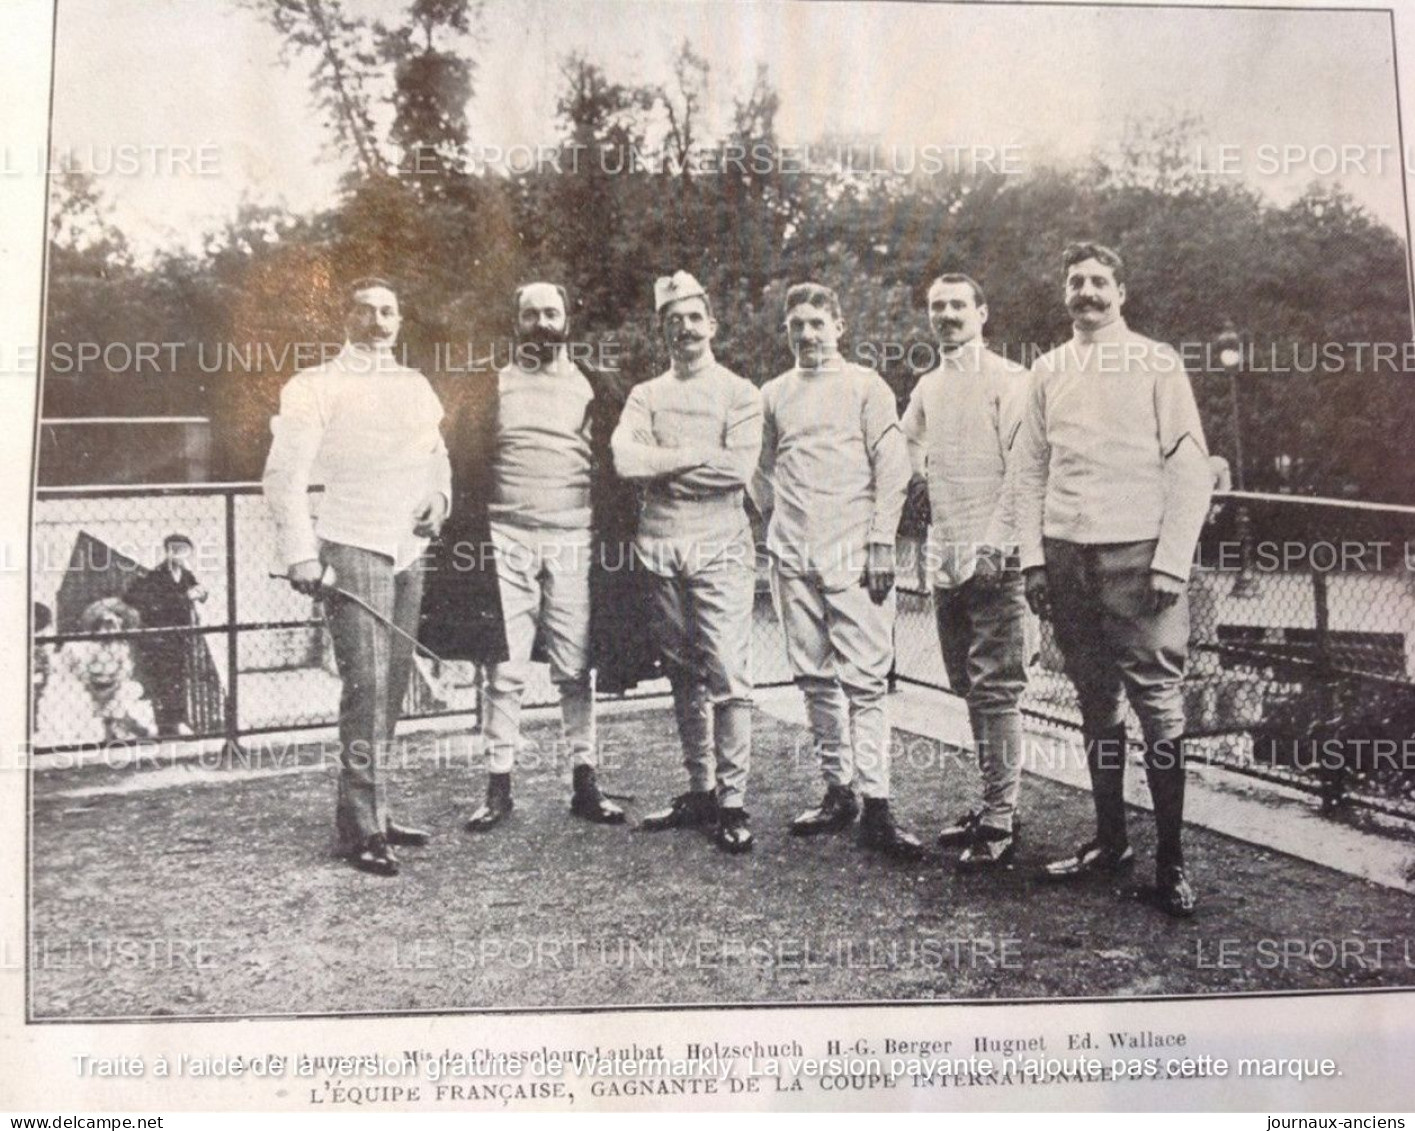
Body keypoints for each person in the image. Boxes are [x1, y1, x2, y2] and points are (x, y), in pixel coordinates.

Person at [1011, 242, 1212, 917]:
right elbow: (1030, 469)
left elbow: (1187, 467)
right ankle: (1109, 838)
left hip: (1139, 557)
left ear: (1120, 292)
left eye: (1099, 282)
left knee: (1157, 704)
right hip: (1067, 556)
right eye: (1076, 282)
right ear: (1063, 293)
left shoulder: (1156, 362)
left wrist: (1171, 559)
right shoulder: (1046, 370)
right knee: (1093, 699)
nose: (1087, 293)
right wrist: (1034, 560)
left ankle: (1171, 860)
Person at [418, 282, 655, 831]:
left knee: (576, 667)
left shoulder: (596, 386)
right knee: (506, 668)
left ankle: (585, 781)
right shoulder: (488, 386)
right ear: (516, 322)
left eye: (552, 313)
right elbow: (453, 457)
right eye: (531, 315)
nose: (542, 323)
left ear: (568, 319)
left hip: (575, 538)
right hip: (505, 537)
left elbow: (621, 462)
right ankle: (498, 786)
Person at [262, 277, 451, 877]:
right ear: (345, 317)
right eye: (365, 310)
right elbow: (282, 476)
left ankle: (371, 811)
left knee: (393, 683)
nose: (377, 321)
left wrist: (440, 499)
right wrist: (301, 556)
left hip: (406, 548)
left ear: (400, 320)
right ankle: (362, 827)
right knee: (366, 684)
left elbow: (436, 454)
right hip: (351, 545)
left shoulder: (416, 384)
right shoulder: (315, 385)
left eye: (387, 311)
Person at [753, 282, 922, 859]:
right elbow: (760, 468)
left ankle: (878, 804)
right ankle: (838, 791)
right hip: (793, 554)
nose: (806, 334)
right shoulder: (773, 392)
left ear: (839, 327)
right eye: (796, 324)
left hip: (855, 554)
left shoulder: (866, 386)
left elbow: (893, 466)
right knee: (813, 677)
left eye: (817, 323)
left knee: (867, 681)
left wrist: (880, 543)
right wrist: (776, 527)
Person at [611, 271, 762, 854]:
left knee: (726, 671)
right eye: (673, 320)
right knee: (681, 670)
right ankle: (699, 788)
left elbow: (735, 471)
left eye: (694, 318)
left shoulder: (739, 391)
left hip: (720, 539)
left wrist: (663, 463)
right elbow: (625, 461)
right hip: (660, 544)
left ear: (712, 325)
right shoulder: (646, 394)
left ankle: (732, 800)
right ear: (662, 330)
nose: (685, 328)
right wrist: (700, 453)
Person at [900, 273, 1030, 869]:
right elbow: (903, 442)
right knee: (967, 685)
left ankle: (1002, 818)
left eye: (958, 305)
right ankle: (991, 802)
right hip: (946, 557)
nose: (947, 315)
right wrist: (918, 476)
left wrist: (998, 546)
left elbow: (1024, 472)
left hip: (994, 560)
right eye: (938, 306)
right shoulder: (929, 384)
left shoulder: (1008, 379)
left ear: (982, 312)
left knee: (997, 687)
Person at [125, 532, 207, 736]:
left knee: (178, 677)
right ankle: (166, 725)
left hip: (180, 635)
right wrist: (184, 597)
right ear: (168, 552)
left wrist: (202, 593)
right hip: (161, 637)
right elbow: (155, 604)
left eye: (184, 551)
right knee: (164, 680)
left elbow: (196, 590)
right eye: (175, 550)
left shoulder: (186, 575)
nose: (180, 555)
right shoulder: (156, 575)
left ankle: (177, 720)